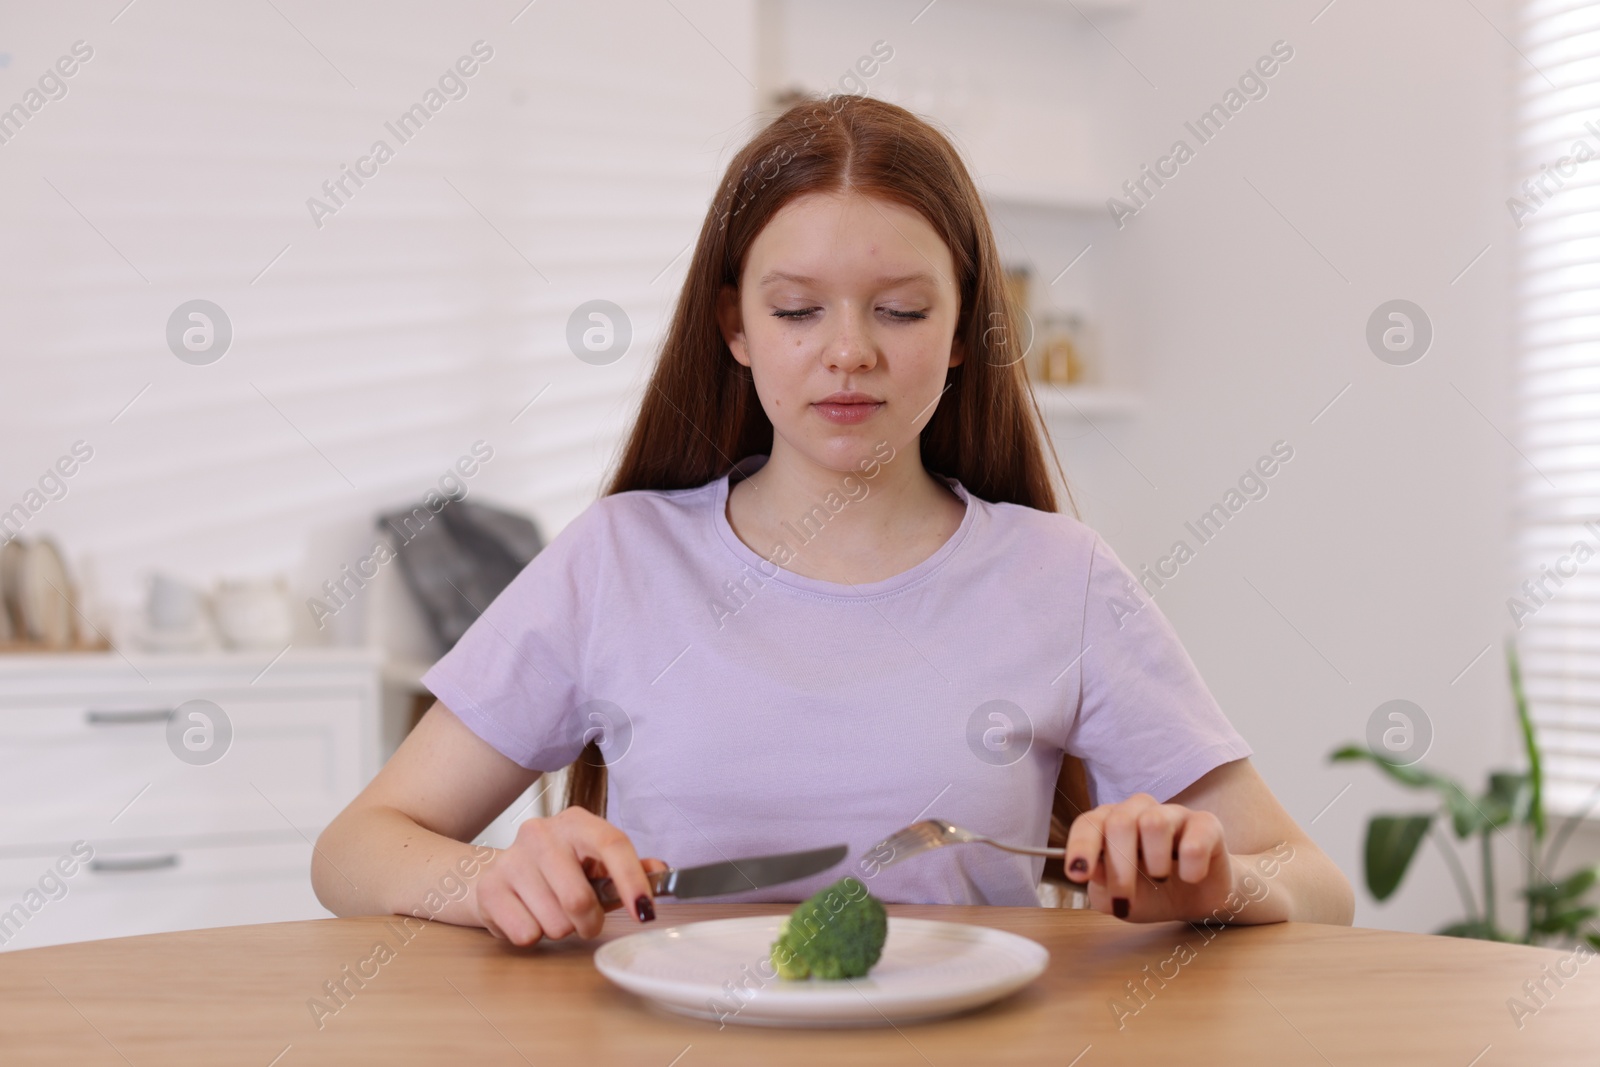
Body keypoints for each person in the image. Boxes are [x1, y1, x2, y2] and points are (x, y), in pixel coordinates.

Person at [312, 94, 1354, 945]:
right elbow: (358, 845)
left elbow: (1311, 881)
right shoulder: (619, 559)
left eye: (899, 309)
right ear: (735, 326)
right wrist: (494, 875)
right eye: (797, 309)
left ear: (960, 332)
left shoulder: (1062, 576)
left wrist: (1216, 882)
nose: (848, 351)